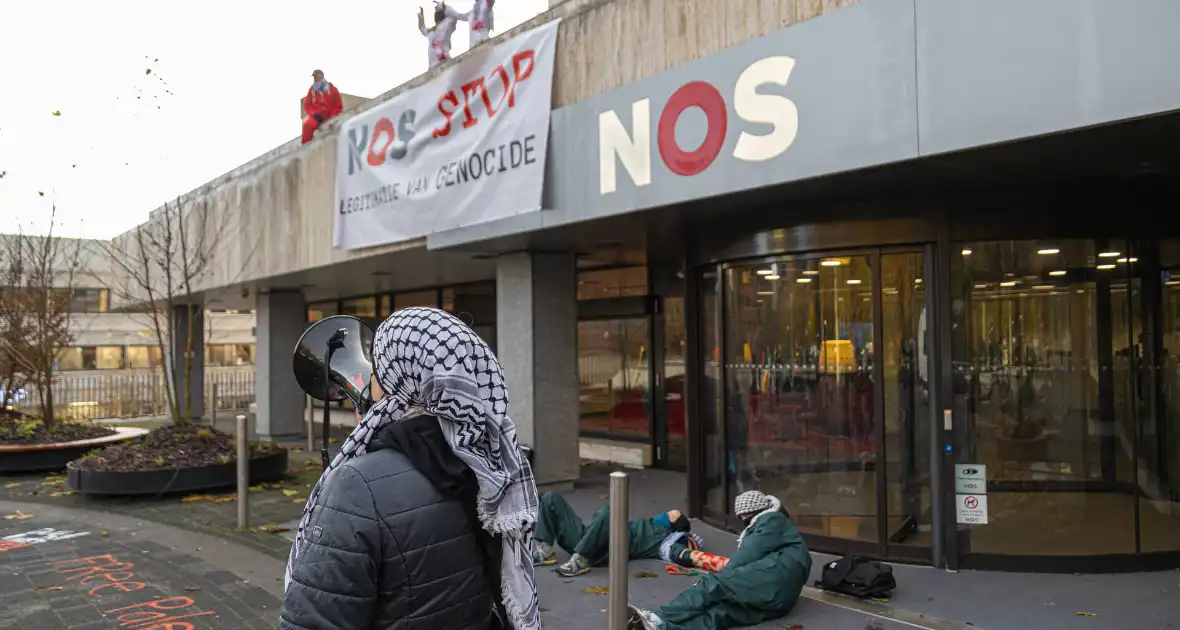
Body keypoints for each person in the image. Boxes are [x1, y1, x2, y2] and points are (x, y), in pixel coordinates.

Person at [280, 307, 542, 630]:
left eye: (376, 371)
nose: (369, 381)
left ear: (397, 380)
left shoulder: (355, 485)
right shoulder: (489, 466)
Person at [627, 491, 811, 630]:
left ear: (754, 513)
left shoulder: (771, 521)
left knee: (713, 585)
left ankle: (658, 617)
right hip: (780, 598)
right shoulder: (783, 529)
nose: (743, 521)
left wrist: (719, 581)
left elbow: (743, 559)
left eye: (744, 517)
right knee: (719, 614)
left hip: (773, 583)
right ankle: (661, 628)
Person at [532, 491, 703, 578]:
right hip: (588, 538)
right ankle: (545, 550)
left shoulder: (665, 539)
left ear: (674, 525)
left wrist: (689, 541)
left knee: (610, 512)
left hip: (607, 550)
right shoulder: (647, 522)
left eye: (671, 514)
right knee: (551, 497)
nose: (665, 513)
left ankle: (580, 560)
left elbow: (683, 551)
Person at [302, 69, 343, 144]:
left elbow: (338, 106)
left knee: (337, 127)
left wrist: (332, 115)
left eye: (317, 76)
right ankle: (306, 146)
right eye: (315, 77)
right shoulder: (312, 91)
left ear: (322, 76)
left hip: (329, 115)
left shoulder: (333, 89)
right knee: (307, 125)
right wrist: (314, 114)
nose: (316, 79)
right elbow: (307, 106)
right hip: (316, 116)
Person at [419, 2, 459, 69]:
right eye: (436, 12)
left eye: (438, 11)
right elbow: (422, 28)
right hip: (433, 64)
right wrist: (421, 17)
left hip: (444, 61)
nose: (436, 13)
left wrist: (442, 5)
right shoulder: (431, 31)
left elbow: (455, 17)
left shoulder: (448, 23)